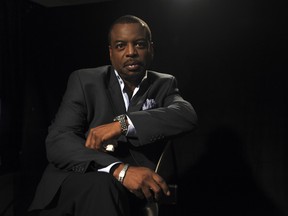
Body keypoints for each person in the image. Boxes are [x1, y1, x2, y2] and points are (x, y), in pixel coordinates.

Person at [28, 15, 198, 216]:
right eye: (120, 46)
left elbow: (186, 116)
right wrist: (119, 169)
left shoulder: (164, 84)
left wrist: (124, 124)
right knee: (102, 184)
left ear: (151, 49)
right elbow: (58, 140)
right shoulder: (85, 81)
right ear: (111, 53)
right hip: (80, 180)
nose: (131, 52)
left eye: (139, 44)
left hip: (130, 196)